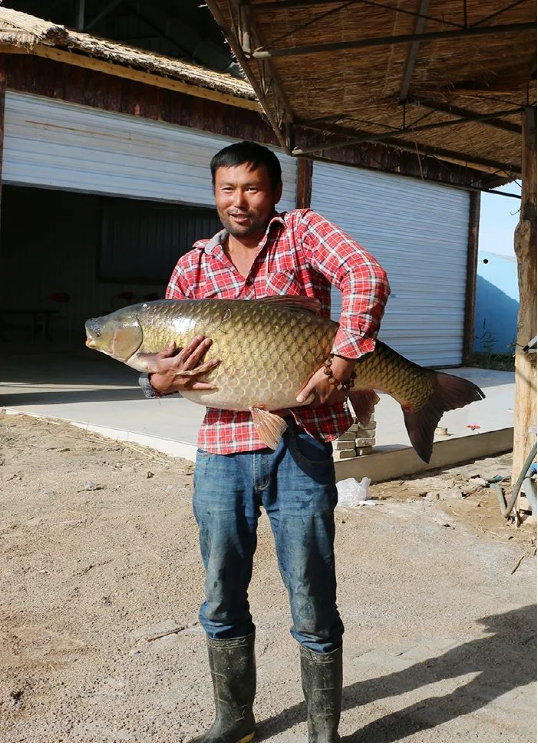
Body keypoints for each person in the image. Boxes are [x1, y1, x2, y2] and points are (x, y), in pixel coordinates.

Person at [140, 141, 390, 743]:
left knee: (311, 594)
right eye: (227, 189)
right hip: (221, 451)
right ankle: (235, 722)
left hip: (301, 442)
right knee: (221, 594)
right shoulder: (193, 265)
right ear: (214, 194)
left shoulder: (301, 232)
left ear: (274, 192)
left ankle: (323, 733)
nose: (239, 201)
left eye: (252, 188)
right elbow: (162, 363)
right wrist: (157, 381)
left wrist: (343, 361)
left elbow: (365, 276)